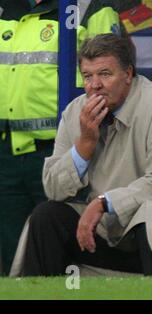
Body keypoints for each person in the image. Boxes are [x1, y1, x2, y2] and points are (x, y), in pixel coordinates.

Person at [19, 34, 152, 276]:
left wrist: (104, 202)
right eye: (87, 76)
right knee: (47, 216)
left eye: (105, 74)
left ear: (128, 74)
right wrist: (84, 146)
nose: (95, 85)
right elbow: (53, 189)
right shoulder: (76, 111)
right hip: (113, 230)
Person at [0, 0, 121, 275]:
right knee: (11, 259)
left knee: (60, 252)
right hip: (6, 152)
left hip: (64, 150)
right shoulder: (7, 7)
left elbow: (111, 79)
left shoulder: (89, 7)